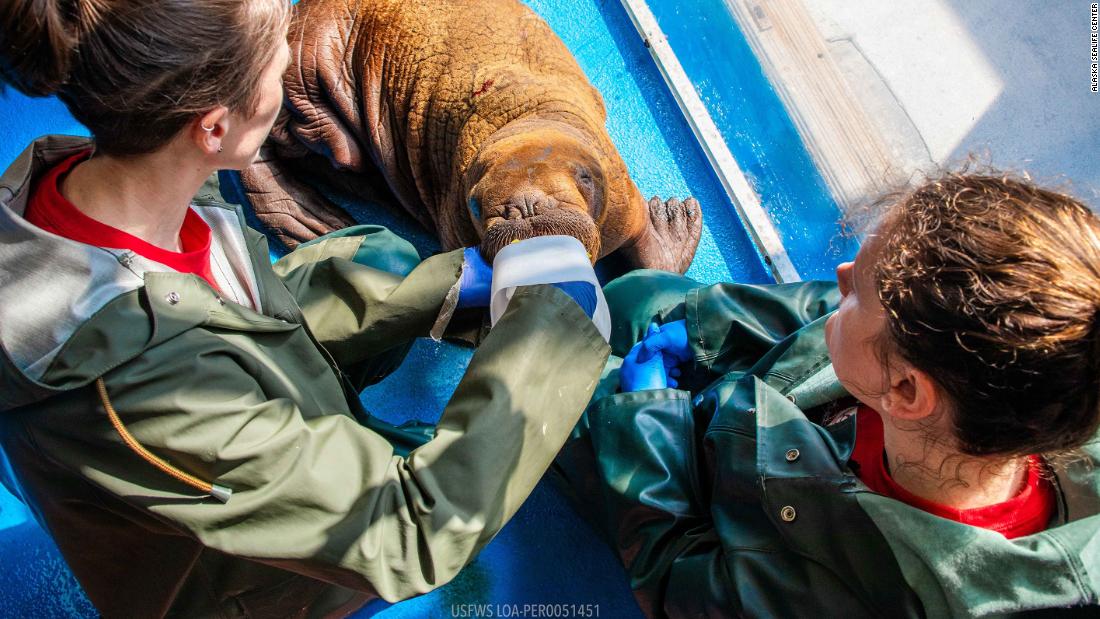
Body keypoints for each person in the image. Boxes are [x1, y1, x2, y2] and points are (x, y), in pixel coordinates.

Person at [0, 1, 609, 617]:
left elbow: (228, 314)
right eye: (275, 50)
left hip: (214, 411)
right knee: (455, 492)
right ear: (214, 126)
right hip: (248, 585)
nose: (291, 55)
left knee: (383, 259)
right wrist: (555, 327)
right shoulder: (138, 390)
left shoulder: (112, 175)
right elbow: (404, 534)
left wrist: (449, 287)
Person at [556, 172, 1100, 617]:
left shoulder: (837, 598)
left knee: (561, 371)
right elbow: (819, 311)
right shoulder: (1032, 383)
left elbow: (677, 571)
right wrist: (702, 329)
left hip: (689, 491)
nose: (840, 274)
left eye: (859, 290)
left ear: (906, 390)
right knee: (635, 297)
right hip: (743, 413)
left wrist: (646, 416)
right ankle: (653, 297)